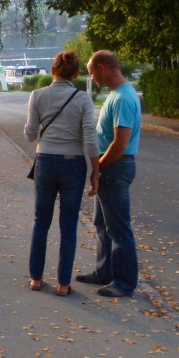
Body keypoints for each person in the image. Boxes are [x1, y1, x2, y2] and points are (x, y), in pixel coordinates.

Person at [24, 51, 100, 296]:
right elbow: (90, 137)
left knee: (40, 222)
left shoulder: (37, 95)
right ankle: (63, 284)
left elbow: (29, 134)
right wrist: (95, 171)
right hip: (73, 164)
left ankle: (36, 279)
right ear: (76, 73)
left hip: (44, 161)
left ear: (53, 70)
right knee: (68, 226)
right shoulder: (83, 99)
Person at [76, 50, 142, 298]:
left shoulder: (123, 98)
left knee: (118, 227)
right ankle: (104, 271)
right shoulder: (117, 95)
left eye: (92, 71)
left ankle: (124, 282)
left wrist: (99, 166)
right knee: (102, 223)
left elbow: (120, 143)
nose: (91, 77)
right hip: (111, 166)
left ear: (102, 68)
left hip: (115, 167)